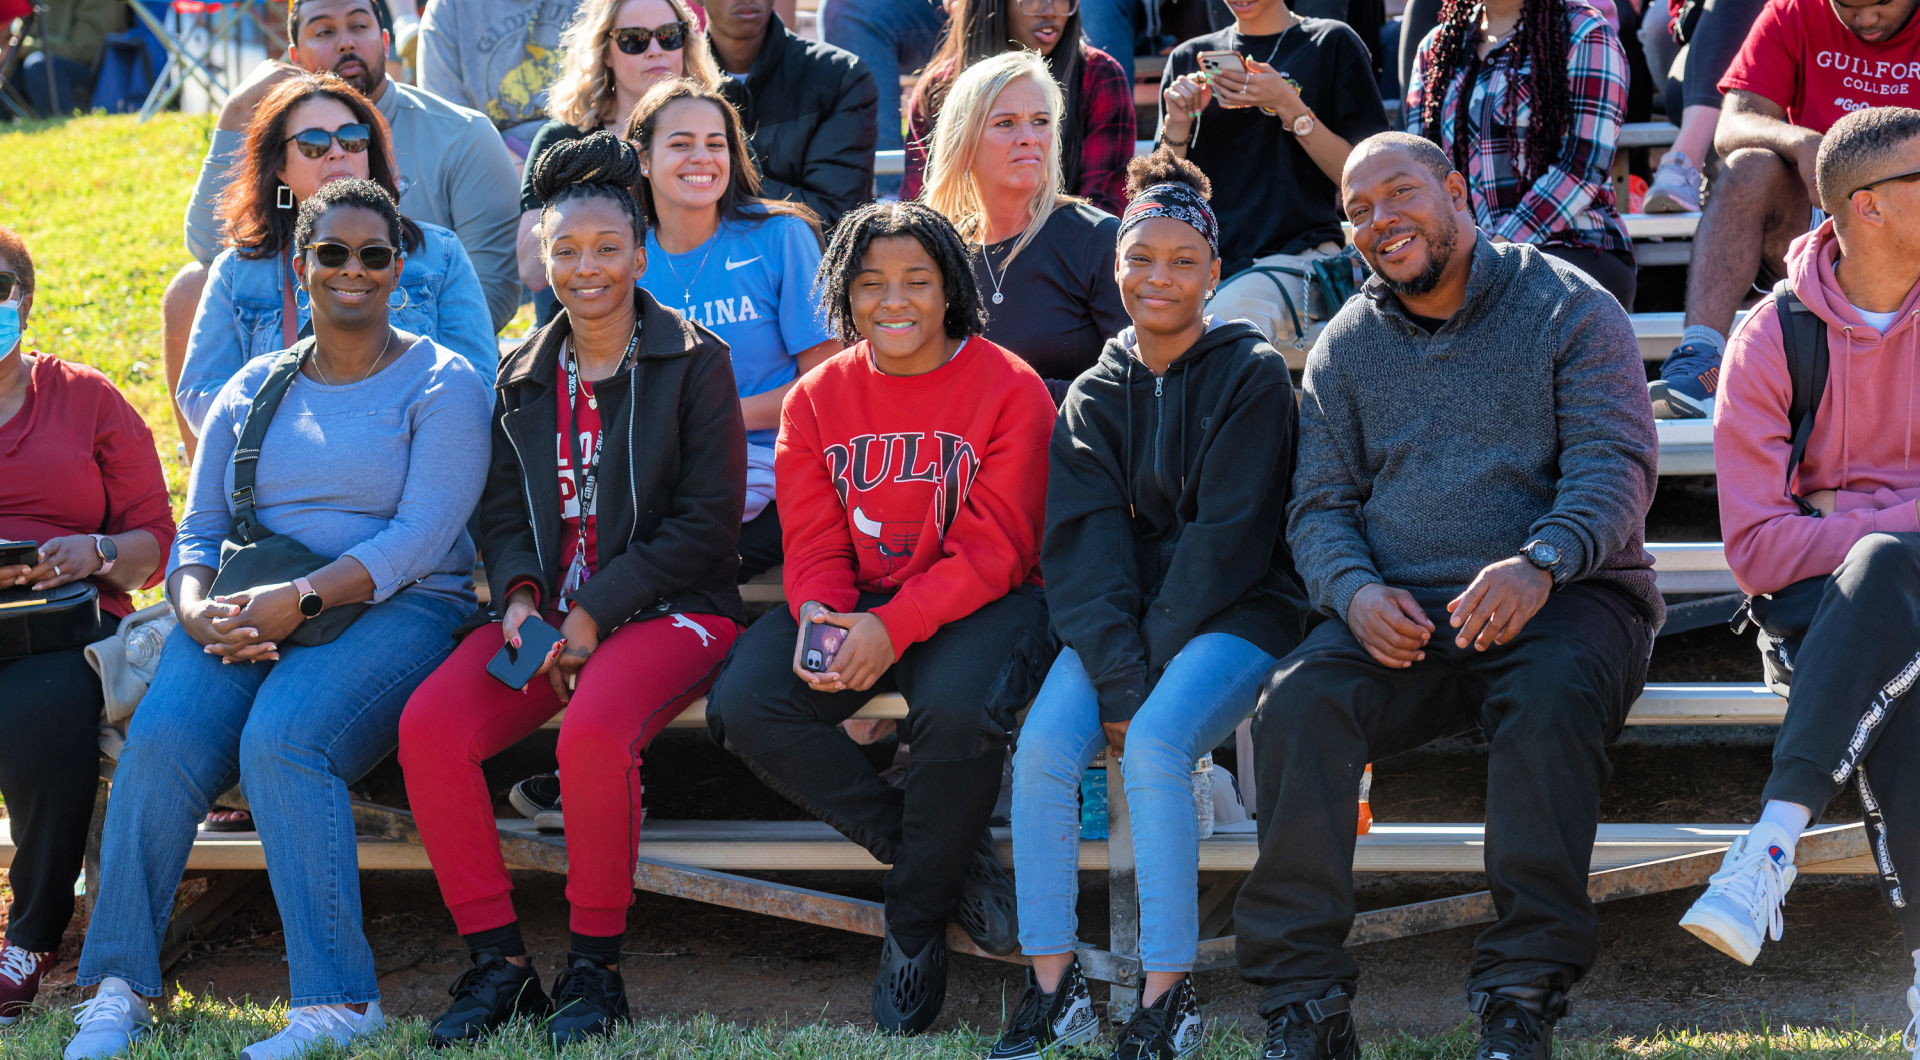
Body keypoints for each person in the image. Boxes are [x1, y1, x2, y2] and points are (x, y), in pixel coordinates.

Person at [1233, 133, 1660, 1060]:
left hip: (1568, 593)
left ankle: (1520, 996)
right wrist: (1351, 594)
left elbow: (1614, 468)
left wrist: (1540, 561)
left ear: (1457, 191)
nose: (1382, 221)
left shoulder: (1565, 305)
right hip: (1407, 615)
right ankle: (1303, 1006)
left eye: (1400, 194)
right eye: (1359, 210)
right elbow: (1319, 508)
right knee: (1298, 701)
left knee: (1548, 700)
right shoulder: (1346, 345)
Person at [62, 180, 492, 1060]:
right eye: (332, 252)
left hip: (400, 605)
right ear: (302, 268)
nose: (353, 270)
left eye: (374, 255)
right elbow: (199, 532)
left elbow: (421, 537)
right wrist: (192, 612)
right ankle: (118, 985)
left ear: (397, 269)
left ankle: (337, 1003)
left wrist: (298, 602)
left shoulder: (442, 384)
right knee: (165, 737)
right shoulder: (254, 387)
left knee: (285, 739)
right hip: (250, 607)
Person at [398, 133, 746, 1048]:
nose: (585, 268)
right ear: (542, 259)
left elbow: (706, 526)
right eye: (564, 250)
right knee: (431, 728)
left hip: (678, 612)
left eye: (604, 249)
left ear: (640, 252)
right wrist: (519, 597)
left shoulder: (695, 363)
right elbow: (504, 512)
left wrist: (597, 610)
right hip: (548, 617)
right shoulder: (520, 375)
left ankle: (596, 970)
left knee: (594, 733)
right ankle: (500, 967)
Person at [704, 200, 1056, 1036]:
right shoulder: (818, 398)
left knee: (960, 707)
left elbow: (997, 550)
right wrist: (825, 617)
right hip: (862, 596)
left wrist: (891, 629)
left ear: (950, 292)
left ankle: (912, 922)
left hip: (985, 600)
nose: (893, 300)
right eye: (870, 284)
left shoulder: (1011, 387)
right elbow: (815, 540)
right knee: (748, 703)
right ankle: (933, 854)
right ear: (844, 295)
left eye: (916, 281)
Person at [993, 149, 1309, 1060]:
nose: (1158, 277)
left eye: (1182, 261)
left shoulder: (1251, 375)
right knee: (1047, 747)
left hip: (1238, 611)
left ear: (1216, 273)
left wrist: (1136, 687)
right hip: (1122, 622)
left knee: (1161, 740)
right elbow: (1084, 548)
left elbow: (1229, 541)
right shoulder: (1094, 392)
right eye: (1140, 259)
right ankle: (1055, 991)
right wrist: (1117, 671)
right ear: (1116, 266)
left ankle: (1167, 997)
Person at [1679, 105, 1920, 1039]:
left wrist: (1844, 518)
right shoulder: (1772, 338)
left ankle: (1770, 842)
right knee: (1893, 615)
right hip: (1823, 610)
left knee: (1885, 564)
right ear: (1869, 208)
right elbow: (1758, 551)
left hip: (1865, 601)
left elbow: (1797, 529)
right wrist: (1880, 535)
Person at [164, 0, 519, 453]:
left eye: (352, 140)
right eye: (313, 144)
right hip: (277, 475)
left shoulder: (438, 254)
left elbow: (476, 383)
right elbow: (200, 389)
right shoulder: (239, 269)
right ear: (281, 170)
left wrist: (386, 429)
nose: (336, 152)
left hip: (409, 464)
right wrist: (284, 435)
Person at [0, 226, 174, 1025]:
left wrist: (93, 550)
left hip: (63, 624)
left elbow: (156, 539)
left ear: (24, 301)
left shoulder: (87, 398)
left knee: (43, 717)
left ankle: (30, 939)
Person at [1651, 0, 1920, 419]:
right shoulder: (1794, 11)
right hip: (1815, 225)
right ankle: (1702, 356)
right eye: (1848, 5)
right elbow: (1732, 125)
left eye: (1882, 4)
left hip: (1910, 226)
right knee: (1748, 165)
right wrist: (1801, 143)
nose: (1865, 19)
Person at [627, 78, 839, 577]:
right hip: (658, 476)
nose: (702, 157)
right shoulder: (625, 255)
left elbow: (826, 386)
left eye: (716, 144)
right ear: (642, 159)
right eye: (680, 144)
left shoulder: (781, 237)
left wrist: (713, 419)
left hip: (776, 476)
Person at [1159, 0, 1391, 345]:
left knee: (1225, 325)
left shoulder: (1330, 42)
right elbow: (1160, 200)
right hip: (1203, 266)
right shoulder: (1187, 57)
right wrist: (1177, 124)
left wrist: (1289, 106)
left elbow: (1367, 177)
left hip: (1301, 258)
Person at [920, 51, 1128, 401]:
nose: (1029, 137)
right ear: (965, 143)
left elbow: (1136, 382)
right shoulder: (940, 251)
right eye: (1006, 123)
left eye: (1041, 121)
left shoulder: (1098, 239)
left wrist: (1009, 398)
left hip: (1072, 450)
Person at [1405, 0, 1638, 308]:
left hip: (1573, 248)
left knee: (1493, 310)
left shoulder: (1586, 32)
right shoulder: (1435, 47)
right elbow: (1420, 169)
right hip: (1465, 262)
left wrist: (1493, 252)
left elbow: (1581, 167)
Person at [516, 0, 721, 307]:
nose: (655, 50)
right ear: (605, 52)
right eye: (634, 39)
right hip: (585, 331)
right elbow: (531, 271)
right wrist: (600, 173)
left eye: (669, 35)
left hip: (704, 310)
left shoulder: (716, 133)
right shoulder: (564, 139)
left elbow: (748, 233)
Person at [904, 0, 1136, 215]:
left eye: (1041, 121)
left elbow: (1103, 210)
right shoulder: (938, 87)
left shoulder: (1100, 75)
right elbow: (921, 208)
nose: (1050, 9)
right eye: (1005, 123)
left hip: (1070, 255)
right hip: (962, 249)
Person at [704, 0, 879, 228]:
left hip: (803, 262)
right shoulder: (670, 77)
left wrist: (715, 181)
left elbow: (834, 219)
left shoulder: (841, 77)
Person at [415, 0, 583, 159]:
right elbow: (448, 126)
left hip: (581, 147)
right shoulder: (447, 8)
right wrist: (515, 168)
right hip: (488, 158)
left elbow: (605, 104)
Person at [9, 0, 125, 116]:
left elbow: (85, 49)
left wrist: (26, 48)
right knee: (10, 67)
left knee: (39, 66)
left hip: (96, 72)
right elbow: (21, 33)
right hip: (46, 58)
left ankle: (57, 122)